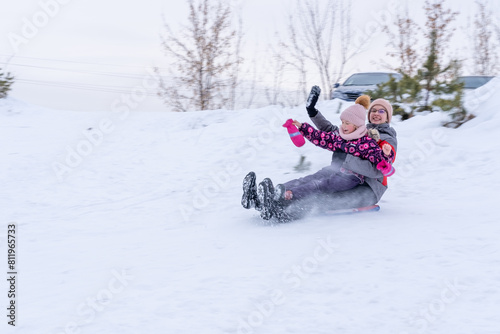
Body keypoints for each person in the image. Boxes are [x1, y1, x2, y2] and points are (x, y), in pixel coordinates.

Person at [241, 86, 398, 221]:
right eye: (374, 110)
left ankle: (283, 210)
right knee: (308, 180)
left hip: (366, 188)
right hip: (339, 171)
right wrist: (312, 112)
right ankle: (268, 196)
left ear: (388, 116)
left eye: (382, 111)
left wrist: (351, 159)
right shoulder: (357, 130)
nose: (377, 113)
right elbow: (330, 133)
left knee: (322, 195)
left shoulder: (385, 138)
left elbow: (380, 167)